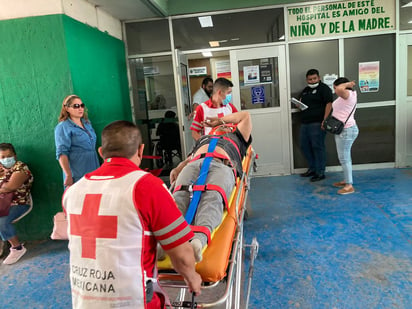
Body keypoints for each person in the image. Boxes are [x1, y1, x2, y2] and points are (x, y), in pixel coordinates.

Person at [64, 120, 201, 309]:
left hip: (83, 302)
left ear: (101, 153)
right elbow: (182, 256)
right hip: (134, 302)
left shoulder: (72, 192)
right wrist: (193, 278)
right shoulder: (146, 187)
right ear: (140, 150)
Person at [171, 111, 252, 262]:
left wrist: (220, 121)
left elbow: (245, 115)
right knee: (179, 197)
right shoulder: (202, 140)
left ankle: (198, 241)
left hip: (223, 165)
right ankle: (168, 242)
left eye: (229, 126)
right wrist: (178, 168)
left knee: (212, 197)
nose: (226, 127)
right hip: (194, 163)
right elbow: (188, 159)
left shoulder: (238, 137)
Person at [55, 95, 100, 187]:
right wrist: (68, 174)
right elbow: (62, 153)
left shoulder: (87, 123)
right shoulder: (63, 127)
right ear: (67, 108)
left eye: (81, 105)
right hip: (77, 172)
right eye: (76, 106)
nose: (80, 108)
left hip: (93, 168)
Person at [0, 143, 33, 265]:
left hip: (19, 203)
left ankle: (17, 248)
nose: (6, 159)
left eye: (9, 156)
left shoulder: (21, 167)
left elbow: (11, 187)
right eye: (2, 157)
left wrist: (4, 187)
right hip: (2, 203)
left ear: (15, 155)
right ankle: (3, 242)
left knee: (2, 221)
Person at [298, 69, 333, 182]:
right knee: (305, 146)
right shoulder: (306, 90)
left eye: (314, 78)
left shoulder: (324, 89)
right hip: (305, 124)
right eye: (310, 79)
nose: (312, 81)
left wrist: (325, 120)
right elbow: (301, 102)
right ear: (307, 80)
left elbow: (329, 104)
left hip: (317, 123)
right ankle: (312, 169)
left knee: (317, 147)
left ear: (319, 78)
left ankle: (320, 172)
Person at [331, 78, 359, 195]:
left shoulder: (347, 94)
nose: (334, 89)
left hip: (346, 130)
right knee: (344, 157)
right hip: (343, 130)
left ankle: (349, 185)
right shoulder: (347, 95)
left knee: (344, 158)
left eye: (334, 87)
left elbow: (339, 89)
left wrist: (348, 84)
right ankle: (346, 180)